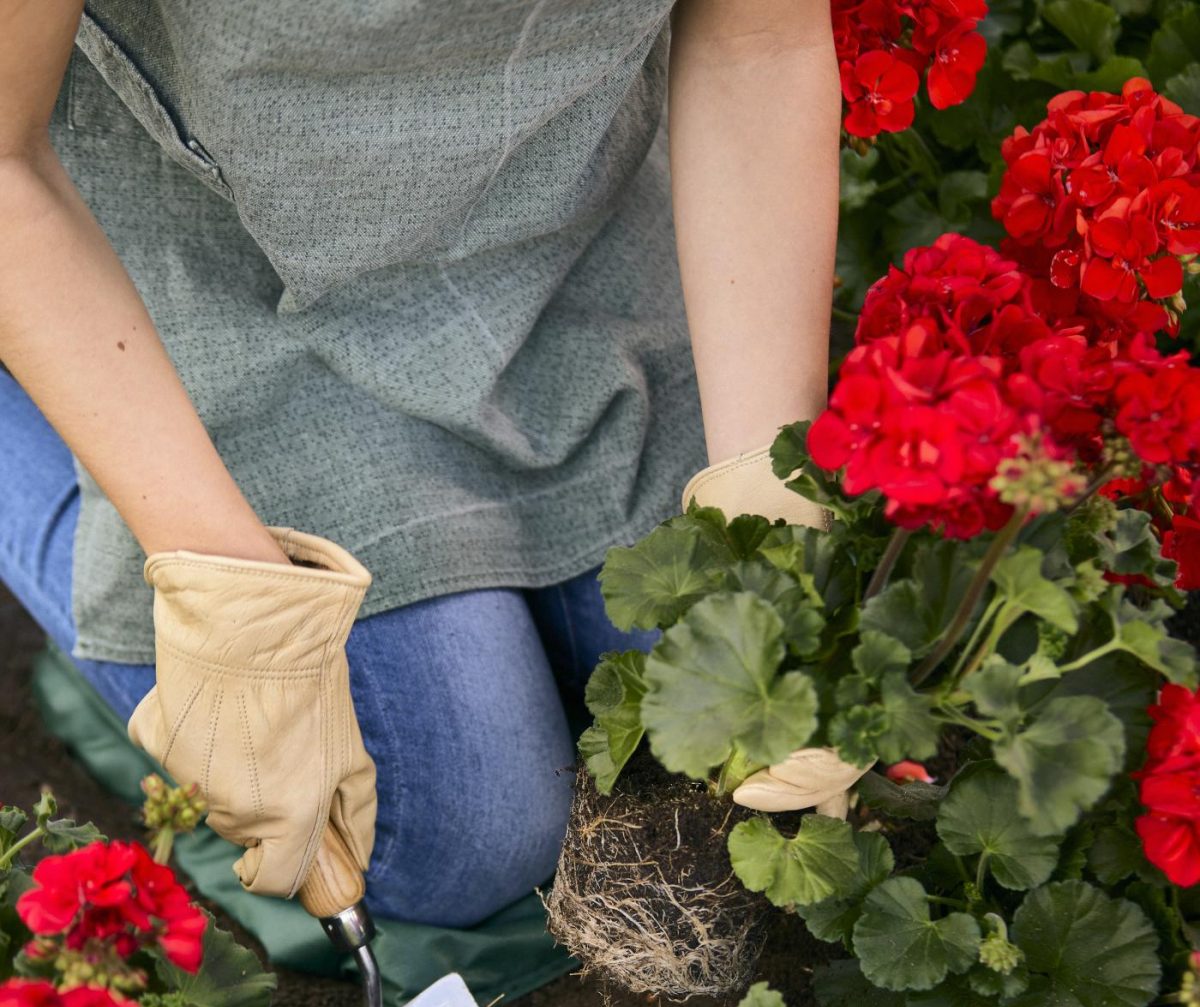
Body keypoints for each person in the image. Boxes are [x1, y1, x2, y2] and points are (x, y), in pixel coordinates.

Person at [0, 0, 841, 927]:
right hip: (224, 278)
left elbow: (759, 42)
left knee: (705, 732)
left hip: (567, 240)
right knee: (457, 837)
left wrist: (770, 504)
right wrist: (230, 603)